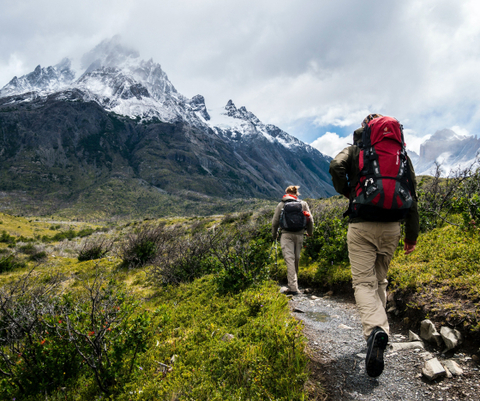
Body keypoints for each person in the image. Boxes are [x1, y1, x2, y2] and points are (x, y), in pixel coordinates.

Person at [329, 114, 419, 377]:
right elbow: (412, 193)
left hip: (362, 225)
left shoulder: (357, 149)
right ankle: (381, 334)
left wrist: (348, 191)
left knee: (363, 283)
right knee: (380, 281)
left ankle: (375, 332)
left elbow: (336, 166)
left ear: (366, 129)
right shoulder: (400, 154)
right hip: (392, 227)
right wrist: (411, 237)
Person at [272, 185, 314, 296]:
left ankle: (293, 288)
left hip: (286, 235)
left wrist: (274, 235)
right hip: (300, 235)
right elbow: (310, 220)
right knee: (296, 259)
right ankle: (294, 285)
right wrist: (309, 233)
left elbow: (275, 222)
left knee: (289, 259)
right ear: (296, 194)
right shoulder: (303, 204)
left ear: (286, 193)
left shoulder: (281, 204)